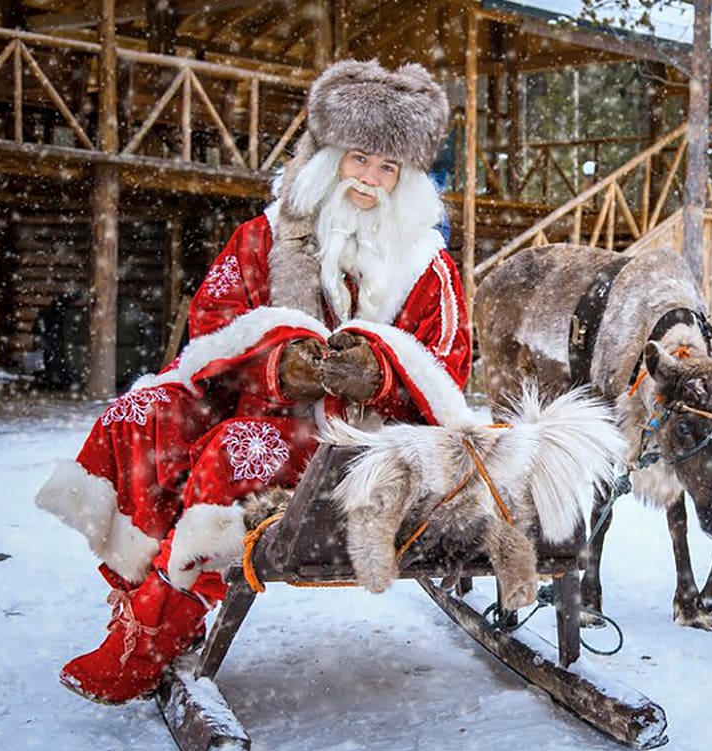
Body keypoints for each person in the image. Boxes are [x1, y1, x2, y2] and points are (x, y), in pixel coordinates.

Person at [36, 59, 477, 705]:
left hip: (366, 444)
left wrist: (378, 373)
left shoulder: (426, 267)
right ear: (330, 159)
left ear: (407, 180)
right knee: (138, 417)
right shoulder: (264, 238)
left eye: (388, 168)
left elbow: (447, 366)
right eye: (359, 159)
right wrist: (279, 363)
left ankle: (160, 624)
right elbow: (212, 325)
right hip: (269, 410)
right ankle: (142, 594)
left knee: (232, 452)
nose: (371, 181)